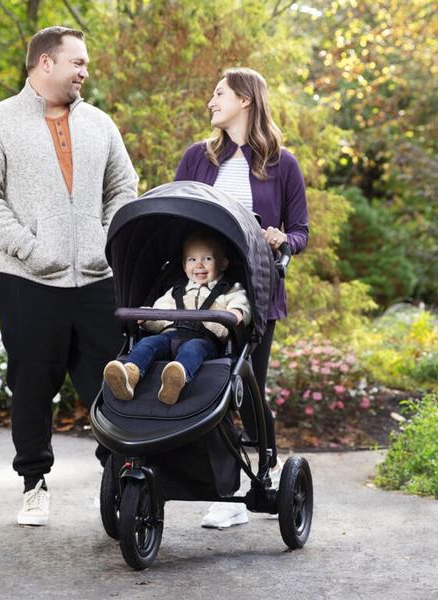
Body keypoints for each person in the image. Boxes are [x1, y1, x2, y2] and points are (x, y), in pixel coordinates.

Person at [0, 26, 138, 526]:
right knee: (32, 386)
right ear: (45, 63)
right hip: (29, 280)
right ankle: (34, 483)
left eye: (85, 64)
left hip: (98, 279)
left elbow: (124, 185)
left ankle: (120, 478)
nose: (85, 71)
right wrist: (29, 248)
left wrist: (106, 241)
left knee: (112, 383)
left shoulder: (100, 123)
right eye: (77, 62)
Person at [174, 67, 309, 528]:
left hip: (255, 288)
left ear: (245, 100)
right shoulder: (197, 158)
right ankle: (226, 490)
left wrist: (282, 240)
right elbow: (176, 213)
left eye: (219, 94)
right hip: (202, 290)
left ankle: (262, 469)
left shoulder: (282, 164)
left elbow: (301, 231)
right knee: (208, 383)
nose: (211, 102)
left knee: (246, 386)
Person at [103, 229, 251, 405]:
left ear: (223, 264)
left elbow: (240, 303)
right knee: (148, 343)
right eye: (192, 260)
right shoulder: (176, 291)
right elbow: (160, 313)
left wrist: (236, 312)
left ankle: (176, 379)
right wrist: (146, 317)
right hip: (171, 335)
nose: (199, 265)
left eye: (207, 259)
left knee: (192, 349)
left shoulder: (229, 289)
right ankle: (129, 375)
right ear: (183, 265)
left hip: (204, 339)